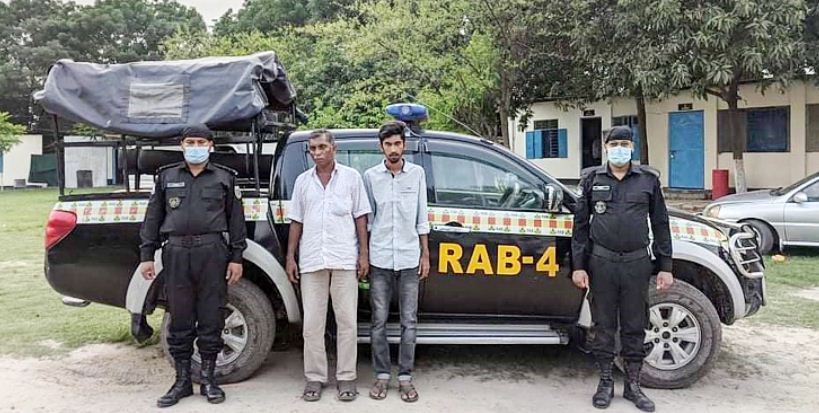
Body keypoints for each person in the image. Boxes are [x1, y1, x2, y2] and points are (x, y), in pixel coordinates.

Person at [139, 124, 247, 408]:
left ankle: (209, 380)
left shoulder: (224, 178)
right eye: (190, 141)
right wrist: (146, 255)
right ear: (182, 145)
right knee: (181, 317)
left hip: (212, 252)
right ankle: (182, 381)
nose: (195, 146)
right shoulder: (166, 177)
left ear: (211, 145)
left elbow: (236, 221)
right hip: (175, 253)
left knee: (212, 315)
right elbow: (153, 217)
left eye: (201, 141)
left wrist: (237, 257)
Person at [571, 125, 674, 412]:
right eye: (614, 143)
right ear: (605, 147)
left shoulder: (648, 180)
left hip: (636, 262)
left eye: (624, 143)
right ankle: (605, 382)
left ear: (632, 147)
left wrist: (665, 265)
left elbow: (661, 224)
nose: (619, 148)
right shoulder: (592, 179)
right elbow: (579, 227)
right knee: (603, 325)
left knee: (634, 324)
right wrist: (579, 266)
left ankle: (633, 385)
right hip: (601, 263)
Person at [285, 129, 371, 402]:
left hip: (345, 259)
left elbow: (360, 217)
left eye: (322, 147)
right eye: (313, 148)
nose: (317, 152)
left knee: (347, 322)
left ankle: (346, 377)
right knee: (312, 324)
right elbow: (296, 220)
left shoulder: (351, 178)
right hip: (311, 260)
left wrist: (364, 255)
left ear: (334, 148)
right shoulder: (302, 182)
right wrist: (290, 256)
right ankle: (315, 377)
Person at [362, 121, 430, 403]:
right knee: (378, 321)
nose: (393, 149)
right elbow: (367, 221)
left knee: (409, 321)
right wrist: (363, 256)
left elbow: (422, 217)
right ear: (381, 147)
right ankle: (380, 376)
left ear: (404, 145)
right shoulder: (370, 176)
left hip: (409, 257)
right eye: (388, 144)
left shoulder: (417, 174)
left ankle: (405, 377)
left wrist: (425, 254)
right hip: (379, 258)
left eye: (397, 144)